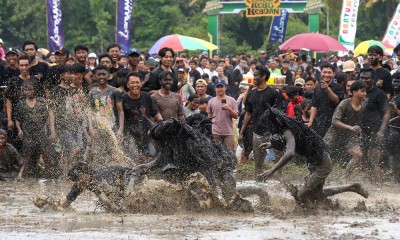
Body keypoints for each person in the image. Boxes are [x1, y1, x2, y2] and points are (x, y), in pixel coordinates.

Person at [258, 106, 368, 205]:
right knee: (317, 194)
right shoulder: (290, 127)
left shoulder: (288, 132)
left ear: (275, 122)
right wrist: (271, 144)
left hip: (322, 164)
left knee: (301, 195)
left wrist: (272, 170)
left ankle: (310, 212)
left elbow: (290, 153)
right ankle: (352, 188)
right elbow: (292, 142)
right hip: (315, 161)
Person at [239, 65, 281, 179]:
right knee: (258, 164)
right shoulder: (252, 94)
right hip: (257, 132)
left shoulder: (273, 93)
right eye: (254, 75)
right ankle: (259, 185)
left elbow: (278, 113)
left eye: (256, 75)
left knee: (278, 162)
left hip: (274, 133)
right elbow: (248, 114)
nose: (254, 78)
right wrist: (242, 132)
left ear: (264, 76)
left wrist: (278, 132)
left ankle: (280, 184)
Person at [59, 162, 145, 212]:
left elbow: (114, 196)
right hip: (120, 181)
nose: (79, 182)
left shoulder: (99, 179)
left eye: (79, 178)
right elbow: (66, 202)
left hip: (131, 175)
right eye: (76, 180)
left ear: (87, 173)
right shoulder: (80, 184)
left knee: (126, 198)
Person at [15, 79, 59, 177]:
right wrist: (19, 130)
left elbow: (49, 116)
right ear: (23, 91)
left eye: (31, 89)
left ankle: (50, 175)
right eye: (26, 90)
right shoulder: (21, 104)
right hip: (28, 133)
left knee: (46, 153)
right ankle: (22, 175)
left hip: (41, 132)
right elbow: (17, 119)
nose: (28, 92)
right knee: (28, 155)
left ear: (35, 90)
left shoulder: (42, 101)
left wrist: (52, 131)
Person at [324, 81, 367, 175]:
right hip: (335, 134)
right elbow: (335, 121)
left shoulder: (365, 104)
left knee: (358, 155)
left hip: (350, 135)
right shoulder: (344, 103)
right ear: (354, 92)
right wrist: (350, 127)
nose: (365, 93)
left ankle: (346, 178)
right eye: (362, 91)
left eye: (365, 91)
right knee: (323, 156)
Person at [359, 68, 390, 182]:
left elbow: (387, 112)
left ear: (372, 79)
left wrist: (381, 131)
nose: (364, 80)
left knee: (374, 160)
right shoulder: (358, 92)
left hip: (376, 131)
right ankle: (371, 183)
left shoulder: (379, 93)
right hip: (363, 131)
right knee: (364, 159)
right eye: (362, 77)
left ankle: (379, 188)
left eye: (367, 77)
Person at [121, 72, 162, 158]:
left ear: (141, 84)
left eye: (137, 82)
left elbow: (155, 113)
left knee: (152, 155)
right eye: (132, 83)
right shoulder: (123, 99)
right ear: (128, 85)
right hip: (130, 134)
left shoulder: (146, 96)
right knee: (134, 158)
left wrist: (161, 124)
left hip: (147, 133)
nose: (135, 85)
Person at [307, 63, 344, 137]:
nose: (326, 75)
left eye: (329, 72)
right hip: (319, 122)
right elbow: (314, 106)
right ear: (321, 73)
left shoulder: (338, 87)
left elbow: (337, 101)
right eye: (324, 72)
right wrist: (310, 122)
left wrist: (328, 89)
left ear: (333, 74)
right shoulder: (317, 88)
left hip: (333, 122)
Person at [207, 79, 238, 151]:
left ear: (225, 87)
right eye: (218, 87)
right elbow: (209, 116)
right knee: (217, 154)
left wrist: (229, 108)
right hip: (216, 131)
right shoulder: (211, 101)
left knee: (229, 154)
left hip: (228, 131)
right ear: (215, 88)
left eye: (222, 87)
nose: (220, 89)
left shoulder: (232, 100)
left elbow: (236, 116)